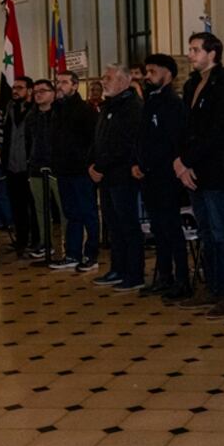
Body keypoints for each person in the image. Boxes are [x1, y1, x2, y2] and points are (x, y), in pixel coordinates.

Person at [175, 32, 224, 313]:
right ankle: (212, 286)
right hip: (193, 170)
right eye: (190, 49)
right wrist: (179, 161)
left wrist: (186, 160)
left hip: (215, 170)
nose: (190, 55)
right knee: (205, 231)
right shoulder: (192, 83)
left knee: (222, 232)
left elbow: (217, 132)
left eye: (195, 50)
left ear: (212, 53)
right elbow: (186, 127)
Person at [133, 54, 190, 301]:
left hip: (166, 176)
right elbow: (143, 137)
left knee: (172, 229)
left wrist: (150, 164)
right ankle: (163, 276)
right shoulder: (151, 101)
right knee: (159, 229)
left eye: (152, 71)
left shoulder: (173, 103)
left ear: (167, 73)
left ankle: (182, 280)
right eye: (147, 71)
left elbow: (171, 141)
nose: (147, 76)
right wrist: (138, 162)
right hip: (150, 176)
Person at [89, 65, 144, 292]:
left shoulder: (132, 107)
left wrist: (101, 165)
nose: (104, 81)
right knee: (113, 225)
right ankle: (117, 268)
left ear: (124, 81)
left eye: (109, 78)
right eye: (103, 77)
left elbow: (124, 143)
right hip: (105, 177)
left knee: (127, 225)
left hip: (122, 176)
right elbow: (99, 139)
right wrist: (91, 164)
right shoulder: (107, 106)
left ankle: (134, 273)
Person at [50, 71, 99, 272]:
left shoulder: (85, 111)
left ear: (75, 85)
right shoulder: (57, 110)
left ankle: (92, 255)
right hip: (63, 170)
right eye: (57, 82)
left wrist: (90, 164)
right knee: (71, 214)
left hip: (82, 171)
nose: (59, 85)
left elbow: (94, 141)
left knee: (88, 213)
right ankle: (72, 253)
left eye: (64, 82)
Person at [24, 79, 66, 260]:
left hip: (57, 167)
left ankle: (69, 243)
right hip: (36, 167)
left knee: (64, 208)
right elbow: (28, 141)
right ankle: (44, 243)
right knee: (40, 209)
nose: (38, 94)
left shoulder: (60, 114)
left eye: (43, 91)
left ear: (53, 93)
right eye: (35, 92)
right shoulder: (31, 116)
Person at [0, 75, 37, 253]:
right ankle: (21, 239)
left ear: (30, 90)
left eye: (20, 88)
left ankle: (37, 240)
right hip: (12, 165)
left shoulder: (36, 110)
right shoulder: (9, 108)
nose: (15, 91)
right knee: (17, 204)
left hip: (30, 165)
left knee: (34, 205)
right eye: (14, 87)